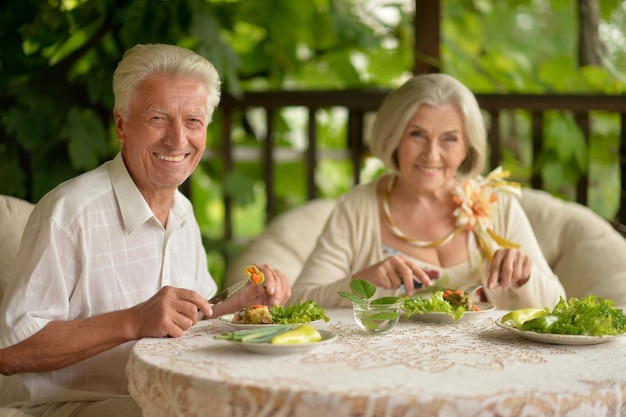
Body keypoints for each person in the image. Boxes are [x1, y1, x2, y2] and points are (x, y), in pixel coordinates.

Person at [0, 43, 291, 416]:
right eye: (158, 118)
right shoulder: (69, 213)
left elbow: (190, 321)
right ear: (121, 125)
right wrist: (132, 321)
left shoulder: (183, 212)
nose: (177, 139)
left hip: (156, 401)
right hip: (62, 406)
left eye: (193, 121)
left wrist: (239, 304)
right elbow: (10, 349)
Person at [289, 73, 565, 310]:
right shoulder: (357, 207)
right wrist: (363, 284)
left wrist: (525, 276)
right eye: (417, 135)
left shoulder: (498, 204)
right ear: (393, 136)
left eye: (449, 138)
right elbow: (300, 301)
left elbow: (558, 305)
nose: (432, 155)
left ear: (468, 146)